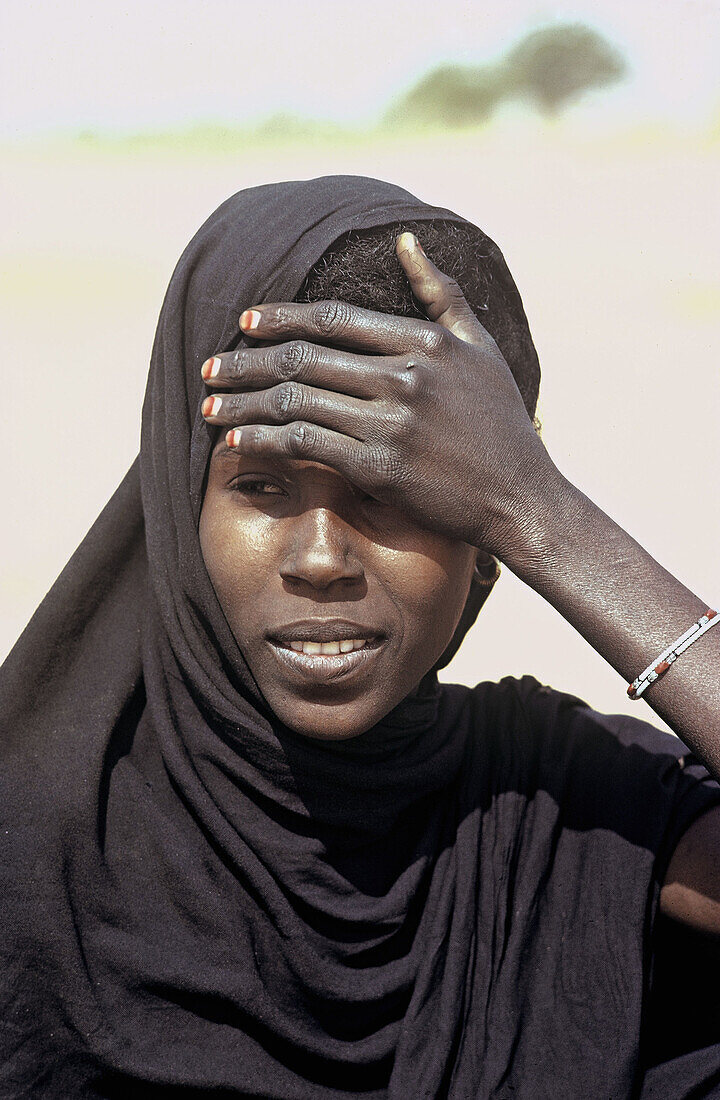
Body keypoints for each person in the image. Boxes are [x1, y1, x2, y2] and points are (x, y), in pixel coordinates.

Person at [1, 175, 718, 1099]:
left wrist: (545, 516)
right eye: (261, 487)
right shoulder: (35, 845)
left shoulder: (575, 808)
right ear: (180, 510)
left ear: (481, 539)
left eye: (394, 493)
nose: (322, 557)